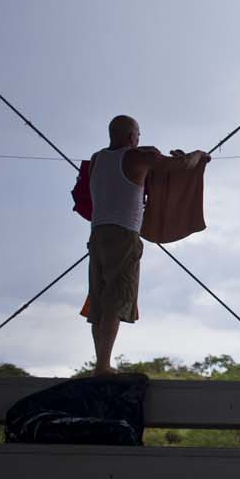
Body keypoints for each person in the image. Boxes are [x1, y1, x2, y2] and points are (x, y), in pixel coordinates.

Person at [87, 115, 208, 375]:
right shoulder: (137, 157)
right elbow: (182, 165)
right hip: (123, 236)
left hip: (97, 235)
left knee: (99, 299)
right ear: (132, 136)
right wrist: (199, 155)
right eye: (138, 134)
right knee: (116, 299)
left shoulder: (97, 159)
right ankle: (103, 366)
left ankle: (101, 362)